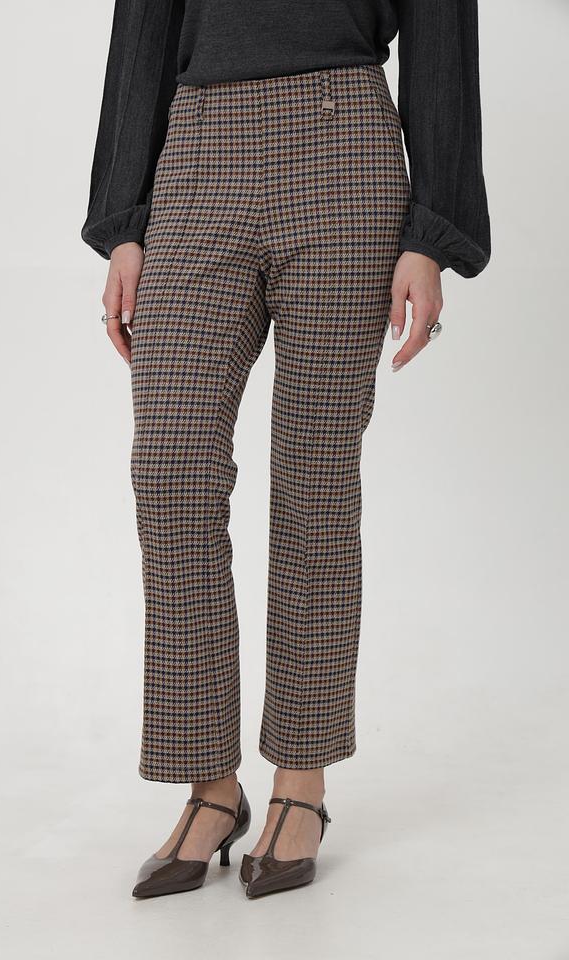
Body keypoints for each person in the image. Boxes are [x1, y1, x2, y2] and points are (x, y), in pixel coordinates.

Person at [81, 0, 490, 900]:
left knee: (315, 480)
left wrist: (431, 233)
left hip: (345, 146)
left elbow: (441, 27)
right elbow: (144, 22)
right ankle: (210, 784)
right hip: (197, 150)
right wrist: (123, 220)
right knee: (172, 466)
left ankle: (301, 781)